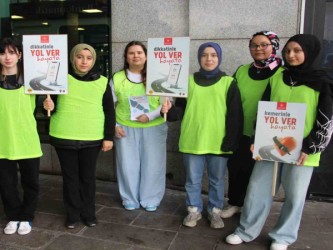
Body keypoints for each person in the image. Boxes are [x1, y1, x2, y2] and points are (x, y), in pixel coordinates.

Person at [225, 34, 333, 250]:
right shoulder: (278, 76)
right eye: (288, 51)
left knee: (294, 195)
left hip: (303, 150)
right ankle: (246, 230)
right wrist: (258, 138)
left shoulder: (322, 82)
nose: (291, 55)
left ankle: (283, 236)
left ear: (309, 52)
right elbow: (264, 108)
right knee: (257, 188)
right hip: (271, 145)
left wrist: (311, 146)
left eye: (297, 51)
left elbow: (327, 119)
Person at [161, 42, 243, 229]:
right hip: (192, 139)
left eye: (213, 55)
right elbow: (178, 112)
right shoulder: (187, 81)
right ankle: (193, 211)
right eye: (204, 55)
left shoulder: (228, 82)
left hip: (218, 142)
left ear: (219, 58)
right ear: (199, 58)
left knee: (217, 181)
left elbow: (235, 116)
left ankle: (215, 212)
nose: (209, 59)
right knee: (192, 180)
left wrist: (230, 142)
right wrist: (168, 110)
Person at [43, 43, 115, 229]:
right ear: (72, 58)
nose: (84, 61)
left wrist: (109, 137)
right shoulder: (59, 79)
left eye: (89, 58)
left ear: (94, 60)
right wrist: (46, 107)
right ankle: (73, 214)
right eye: (79, 57)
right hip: (64, 136)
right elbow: (46, 109)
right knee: (70, 178)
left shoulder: (102, 82)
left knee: (88, 178)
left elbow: (109, 110)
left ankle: (88, 213)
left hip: (92, 137)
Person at [0, 37, 42, 236]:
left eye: (12, 52)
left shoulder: (34, 81)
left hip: (27, 138)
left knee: (30, 182)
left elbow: (42, 107)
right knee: (7, 184)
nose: (7, 57)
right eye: (2, 53)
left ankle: (27, 216)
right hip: (0, 140)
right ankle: (13, 215)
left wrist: (50, 104)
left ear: (20, 55)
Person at [222, 31, 283, 218]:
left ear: (274, 46)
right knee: (236, 169)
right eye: (254, 45)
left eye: (264, 44)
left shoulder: (282, 74)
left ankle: (252, 209)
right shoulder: (242, 70)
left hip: (266, 134)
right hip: (240, 130)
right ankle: (235, 203)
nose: (258, 49)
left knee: (256, 175)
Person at [111, 41, 167, 212]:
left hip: (154, 126)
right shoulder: (117, 78)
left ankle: (151, 198)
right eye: (131, 53)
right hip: (125, 127)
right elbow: (109, 104)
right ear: (126, 57)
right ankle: (129, 198)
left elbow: (166, 102)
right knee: (127, 165)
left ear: (146, 56)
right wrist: (114, 125)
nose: (136, 56)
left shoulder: (158, 75)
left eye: (139, 52)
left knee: (154, 164)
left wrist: (149, 116)